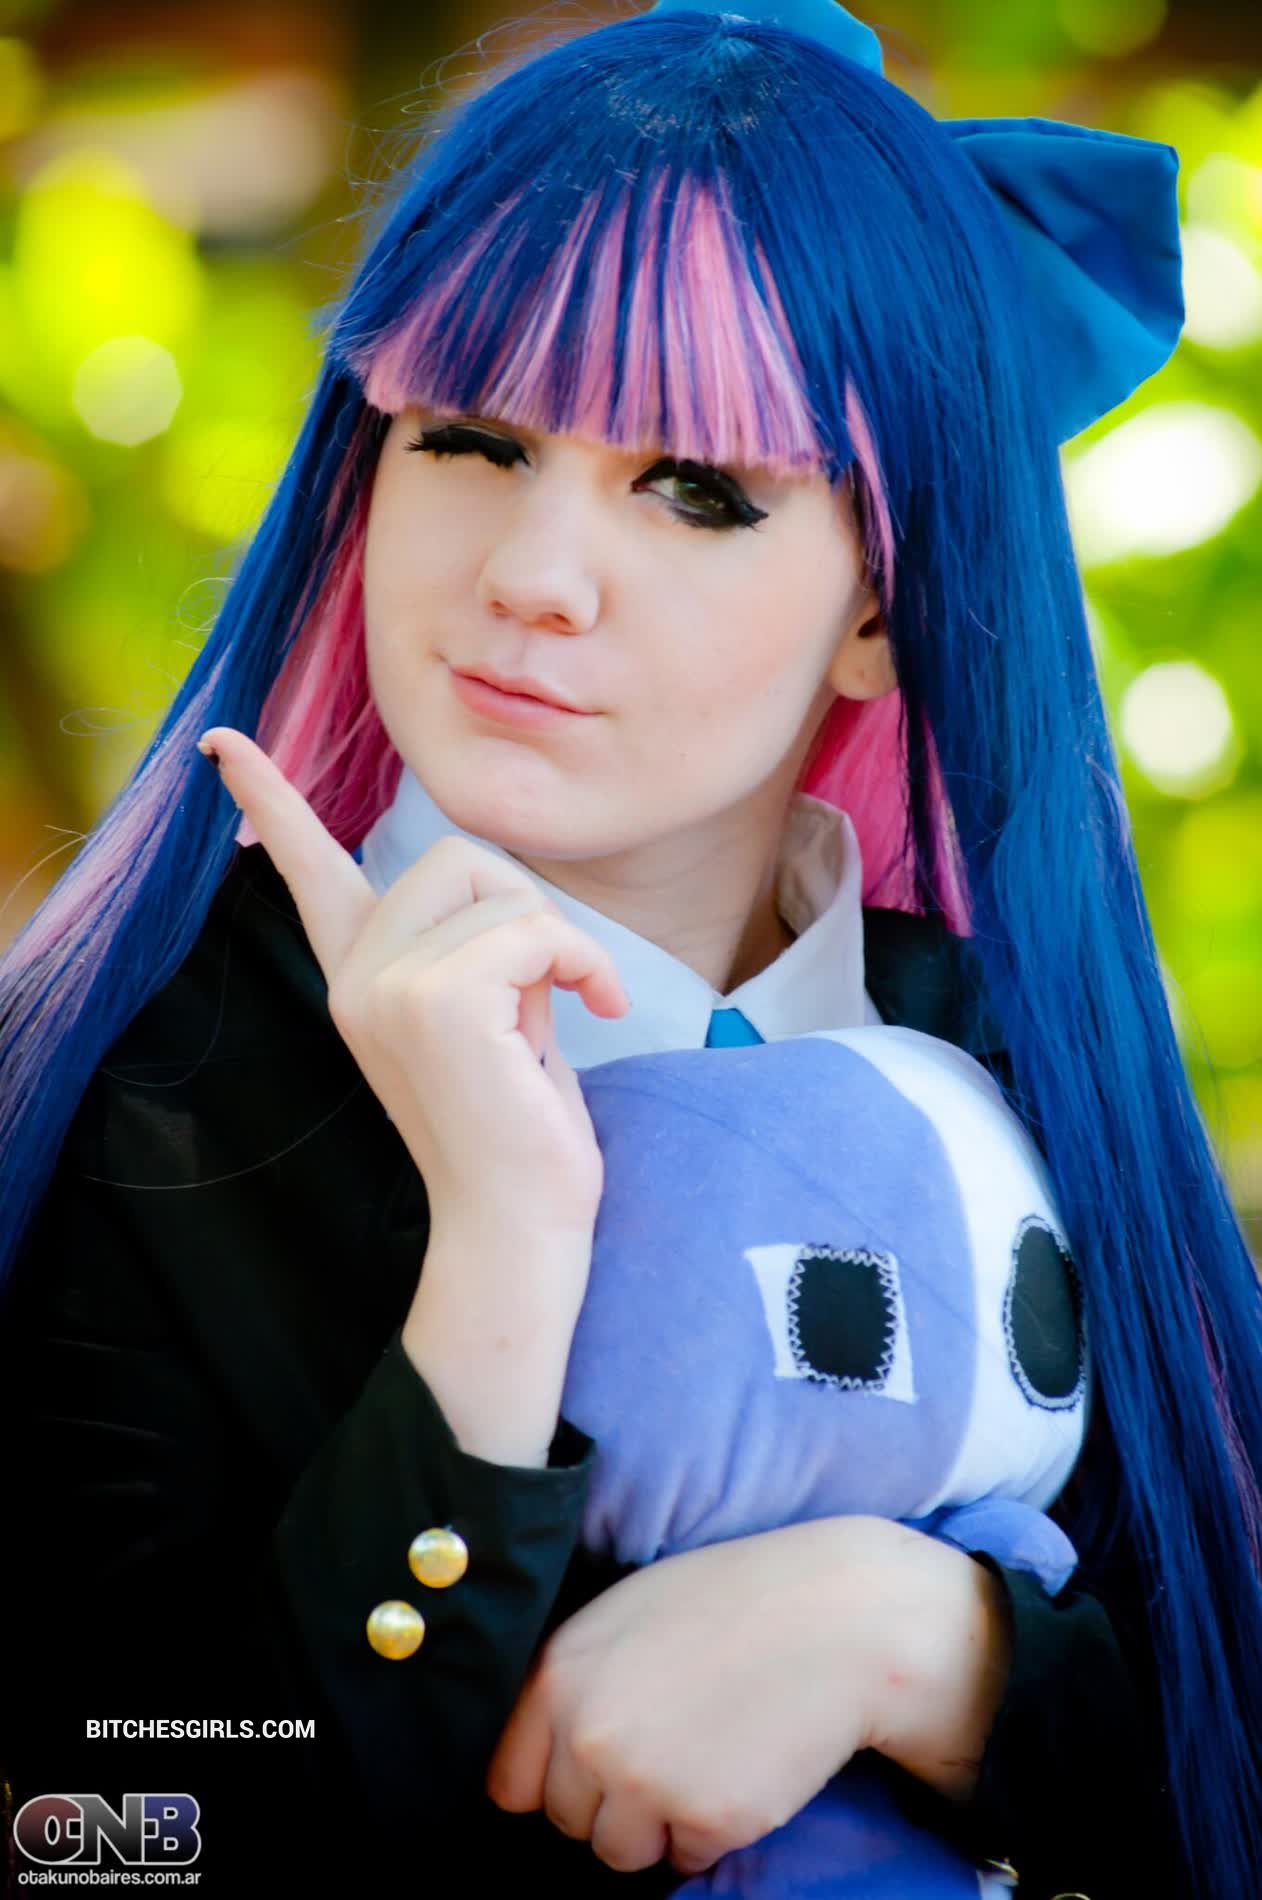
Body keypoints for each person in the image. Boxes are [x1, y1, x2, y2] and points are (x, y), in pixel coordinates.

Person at [1, 1, 1258, 1893]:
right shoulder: (141, 1078)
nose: (530, 576)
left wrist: (929, 1647)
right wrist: (498, 1274)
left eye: (698, 488)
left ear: (881, 603)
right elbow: (103, 1839)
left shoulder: (1019, 1074)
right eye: (469, 437)